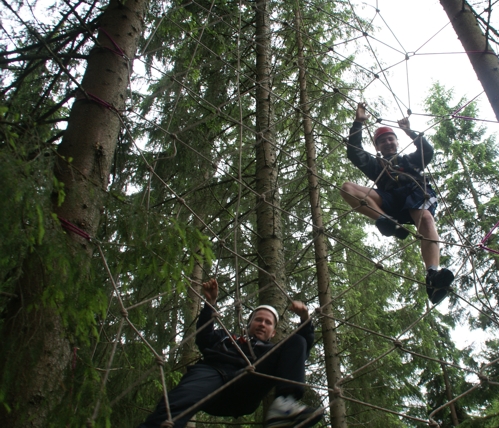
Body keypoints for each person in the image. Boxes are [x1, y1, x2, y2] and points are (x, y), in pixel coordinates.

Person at [139, 279, 323, 428]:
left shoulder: (271, 352)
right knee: (175, 404)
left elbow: (301, 350)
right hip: (212, 374)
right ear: (248, 324)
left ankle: (283, 405)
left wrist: (305, 318)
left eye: (268, 323)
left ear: (273, 332)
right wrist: (210, 303)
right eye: (258, 320)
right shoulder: (226, 337)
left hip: (246, 385)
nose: (262, 324)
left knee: (298, 341)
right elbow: (204, 338)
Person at [340, 102, 454, 305]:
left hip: (415, 194)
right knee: (348, 188)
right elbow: (353, 152)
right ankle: (386, 221)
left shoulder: (410, 160)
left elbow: (427, 152)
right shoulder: (376, 166)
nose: (388, 143)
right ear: (377, 147)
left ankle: (432, 275)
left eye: (391, 139)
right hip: (390, 201)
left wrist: (410, 131)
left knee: (426, 219)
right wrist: (358, 122)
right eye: (382, 141)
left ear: (397, 141)